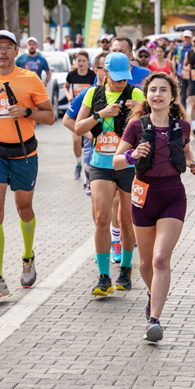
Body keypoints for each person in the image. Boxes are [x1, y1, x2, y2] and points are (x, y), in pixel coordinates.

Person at [113, 72, 195, 341]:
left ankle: (155, 320)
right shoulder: (136, 127)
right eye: (153, 90)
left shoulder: (182, 127)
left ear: (172, 96)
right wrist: (131, 155)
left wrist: (193, 165)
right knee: (144, 263)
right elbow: (116, 161)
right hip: (143, 195)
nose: (158, 95)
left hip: (173, 195)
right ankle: (153, 292)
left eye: (163, 90)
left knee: (161, 258)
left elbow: (185, 153)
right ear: (147, 95)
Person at [0, 30, 55, 299]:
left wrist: (27, 111)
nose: (3, 52)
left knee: (24, 209)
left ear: (16, 52)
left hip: (24, 152)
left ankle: (28, 257)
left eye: (9, 47)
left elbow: (50, 116)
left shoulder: (30, 79)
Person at [74, 53, 145, 296]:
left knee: (126, 220)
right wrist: (100, 114)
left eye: (124, 78)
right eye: (116, 78)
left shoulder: (135, 94)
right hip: (101, 165)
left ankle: (125, 269)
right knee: (102, 218)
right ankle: (103, 276)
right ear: (104, 72)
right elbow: (77, 126)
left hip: (128, 166)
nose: (120, 83)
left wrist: (141, 109)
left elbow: (155, 122)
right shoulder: (94, 94)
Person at [65, 50, 97, 179]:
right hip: (76, 110)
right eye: (79, 60)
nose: (81, 63)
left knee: (90, 141)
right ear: (76, 62)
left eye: (84, 61)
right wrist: (68, 96)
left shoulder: (91, 75)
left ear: (88, 62)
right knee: (76, 140)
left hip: (89, 113)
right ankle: (78, 163)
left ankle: (90, 164)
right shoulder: (72, 75)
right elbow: (66, 87)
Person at [172, 30, 193, 107]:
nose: (187, 38)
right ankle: (183, 111)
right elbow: (174, 58)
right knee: (182, 94)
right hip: (181, 73)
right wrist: (173, 69)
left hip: (192, 73)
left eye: (188, 37)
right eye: (185, 37)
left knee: (191, 94)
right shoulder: (179, 47)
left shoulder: (194, 46)